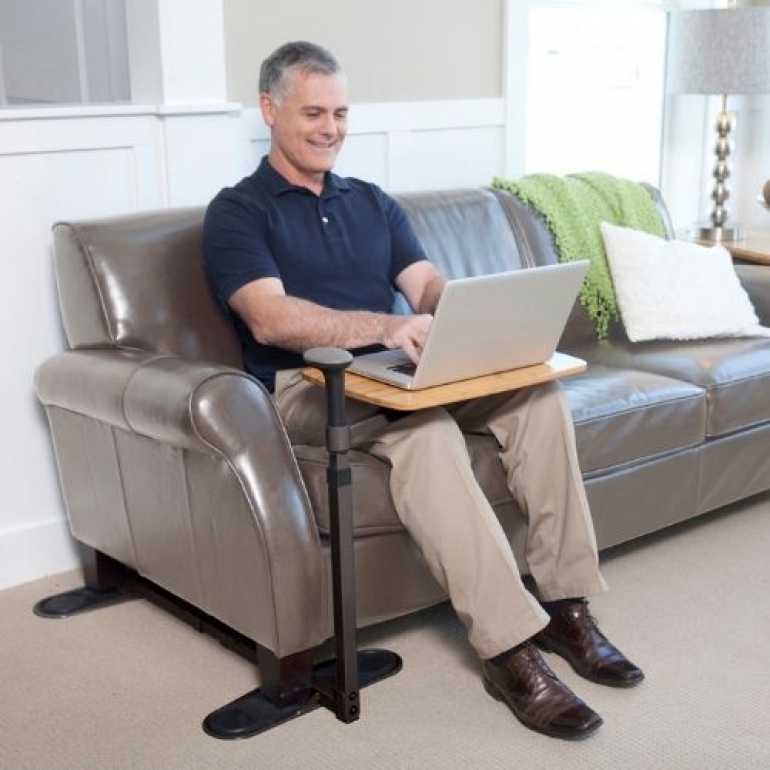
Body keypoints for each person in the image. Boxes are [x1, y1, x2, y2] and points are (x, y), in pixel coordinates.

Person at [204, 41, 644, 741]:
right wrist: (388, 325)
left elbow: (426, 285)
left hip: (400, 369)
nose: (330, 128)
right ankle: (510, 652)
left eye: (341, 112)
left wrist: (466, 305)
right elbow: (269, 315)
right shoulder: (238, 213)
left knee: (537, 401)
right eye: (314, 112)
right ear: (270, 110)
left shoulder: (373, 203)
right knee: (425, 433)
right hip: (309, 385)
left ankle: (566, 607)